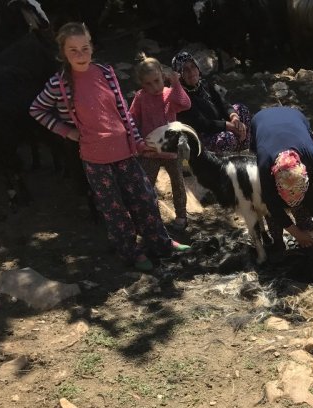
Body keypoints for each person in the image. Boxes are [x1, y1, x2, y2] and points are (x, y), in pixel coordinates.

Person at [30, 23, 191, 273]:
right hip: (96, 159)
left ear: (92, 47)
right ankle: (132, 253)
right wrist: (67, 131)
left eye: (85, 48)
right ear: (63, 52)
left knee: (146, 198)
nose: (81, 54)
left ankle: (161, 243)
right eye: (73, 50)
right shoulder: (59, 83)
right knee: (115, 209)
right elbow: (37, 109)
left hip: (125, 151)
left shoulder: (105, 72)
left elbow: (124, 113)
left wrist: (137, 141)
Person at [250, 106, 313, 251]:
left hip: (295, 117)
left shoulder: (311, 155)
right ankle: (278, 241)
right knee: (268, 204)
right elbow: (271, 202)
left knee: (309, 197)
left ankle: (305, 225)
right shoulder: (264, 165)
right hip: (260, 120)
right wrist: (296, 234)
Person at [129, 54, 191, 231]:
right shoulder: (141, 97)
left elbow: (185, 104)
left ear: (163, 77)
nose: (154, 87)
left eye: (157, 81)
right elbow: (131, 119)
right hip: (150, 149)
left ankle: (181, 216)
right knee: (146, 183)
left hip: (171, 148)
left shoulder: (170, 94)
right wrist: (138, 143)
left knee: (177, 182)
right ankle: (150, 217)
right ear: (142, 84)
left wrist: (176, 83)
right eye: (148, 84)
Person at [172, 51, 251, 155]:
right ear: (179, 75)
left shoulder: (204, 84)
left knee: (241, 109)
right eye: (185, 70)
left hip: (220, 125)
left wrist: (234, 117)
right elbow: (202, 124)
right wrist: (228, 126)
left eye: (193, 66)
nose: (191, 71)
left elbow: (222, 102)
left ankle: (245, 150)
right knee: (226, 139)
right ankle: (226, 162)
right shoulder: (181, 97)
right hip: (203, 136)